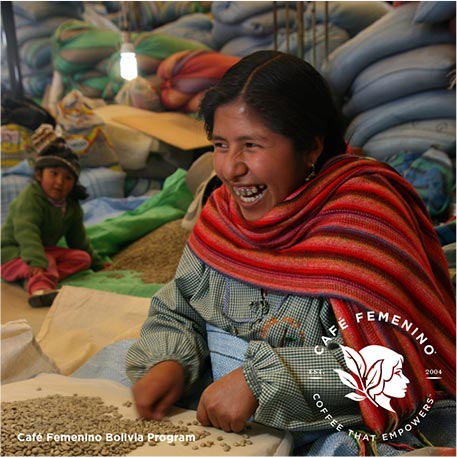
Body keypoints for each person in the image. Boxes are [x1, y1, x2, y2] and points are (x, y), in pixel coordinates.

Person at [126, 51, 455, 453]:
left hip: (336, 420)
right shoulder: (223, 214)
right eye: (220, 144)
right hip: (223, 408)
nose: (231, 168)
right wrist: (169, 360)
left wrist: (262, 380)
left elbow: (398, 359)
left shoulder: (364, 217)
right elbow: (178, 308)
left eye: (252, 145)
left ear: (311, 147)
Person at [1, 125, 107, 307]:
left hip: (41, 252)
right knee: (46, 260)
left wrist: (99, 265)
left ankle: (37, 276)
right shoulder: (31, 198)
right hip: (12, 254)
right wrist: (36, 261)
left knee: (82, 258)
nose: (60, 182)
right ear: (39, 175)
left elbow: (78, 239)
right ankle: (39, 290)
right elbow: (26, 232)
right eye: (54, 173)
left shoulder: (71, 206)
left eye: (68, 178)